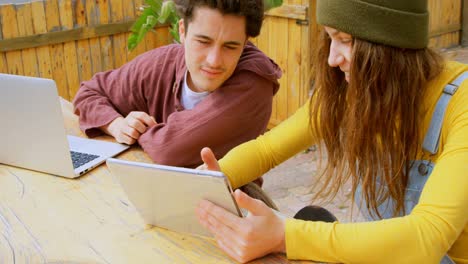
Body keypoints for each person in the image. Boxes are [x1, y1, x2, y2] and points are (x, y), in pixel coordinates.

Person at [195, 0, 468, 263]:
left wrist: (284, 235)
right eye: (329, 38)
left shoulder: (461, 103)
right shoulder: (358, 90)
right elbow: (267, 149)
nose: (332, 59)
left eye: (346, 40)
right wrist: (207, 181)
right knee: (312, 218)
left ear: (392, 43)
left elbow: (427, 238)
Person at [72, 0, 281, 168]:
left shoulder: (255, 81)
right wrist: (117, 125)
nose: (214, 60)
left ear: (245, 44)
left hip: (230, 208)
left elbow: (169, 149)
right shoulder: (162, 62)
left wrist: (140, 131)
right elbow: (89, 93)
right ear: (182, 30)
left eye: (230, 46)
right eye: (203, 41)